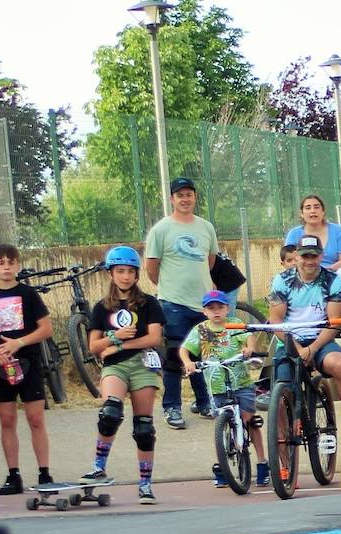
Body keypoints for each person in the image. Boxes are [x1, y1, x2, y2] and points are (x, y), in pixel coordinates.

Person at [83, 245, 167, 503]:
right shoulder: (101, 308)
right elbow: (94, 347)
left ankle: (145, 484)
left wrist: (120, 345)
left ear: (136, 275)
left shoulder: (149, 303)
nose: (126, 277)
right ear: (111, 273)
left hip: (142, 364)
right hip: (115, 367)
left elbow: (154, 338)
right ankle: (99, 466)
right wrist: (114, 336)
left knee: (143, 427)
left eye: (130, 271)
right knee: (110, 412)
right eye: (120, 271)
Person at [268, 235, 341, 446]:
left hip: (321, 339)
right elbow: (276, 321)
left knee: (339, 364)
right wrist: (296, 348)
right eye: (305, 256)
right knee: (280, 389)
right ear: (296, 257)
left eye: (314, 256)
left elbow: (334, 323)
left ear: (321, 256)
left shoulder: (333, 281)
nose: (309, 261)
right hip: (289, 339)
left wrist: (312, 349)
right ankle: (283, 461)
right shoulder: (281, 280)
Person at [0, 244, 54, 494]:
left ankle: (44, 473)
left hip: (28, 362)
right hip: (1, 366)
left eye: (10, 263)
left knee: (35, 418)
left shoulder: (28, 294)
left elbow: (45, 329)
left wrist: (19, 342)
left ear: (17, 265)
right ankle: (13, 474)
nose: (6, 267)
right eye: (0, 263)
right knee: (7, 419)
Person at [144, 176, 218, 430]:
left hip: (203, 305)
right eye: (180, 195)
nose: (185, 199)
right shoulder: (161, 230)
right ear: (172, 199)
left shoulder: (206, 227)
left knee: (200, 355)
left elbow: (209, 261)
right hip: (173, 303)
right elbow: (151, 268)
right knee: (176, 356)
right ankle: (172, 406)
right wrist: (169, 288)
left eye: (189, 194)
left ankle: (204, 401)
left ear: (195, 197)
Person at [180, 290, 267, 488]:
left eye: (220, 307)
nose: (216, 311)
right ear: (204, 311)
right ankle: (223, 464)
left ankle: (262, 462)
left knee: (250, 420)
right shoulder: (200, 330)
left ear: (227, 308)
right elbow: (185, 349)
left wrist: (248, 349)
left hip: (240, 382)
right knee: (220, 425)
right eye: (211, 308)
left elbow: (249, 338)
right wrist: (188, 362)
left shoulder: (234, 323)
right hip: (216, 386)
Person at [284, 194, 341, 327]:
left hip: (333, 272)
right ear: (302, 213)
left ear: (323, 211)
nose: (313, 211)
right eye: (308, 208)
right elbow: (290, 260)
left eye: (316, 207)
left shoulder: (337, 231)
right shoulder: (294, 234)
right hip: (304, 273)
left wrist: (325, 271)